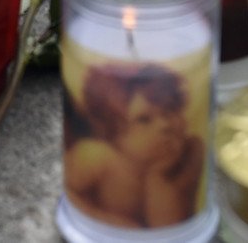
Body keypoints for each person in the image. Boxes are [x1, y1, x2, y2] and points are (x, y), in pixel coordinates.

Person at [64, 61, 205, 229]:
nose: (165, 125)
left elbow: (165, 228)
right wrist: (108, 221)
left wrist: (158, 178)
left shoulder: (183, 157)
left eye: (169, 111)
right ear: (111, 131)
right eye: (144, 119)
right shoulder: (97, 157)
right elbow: (63, 195)